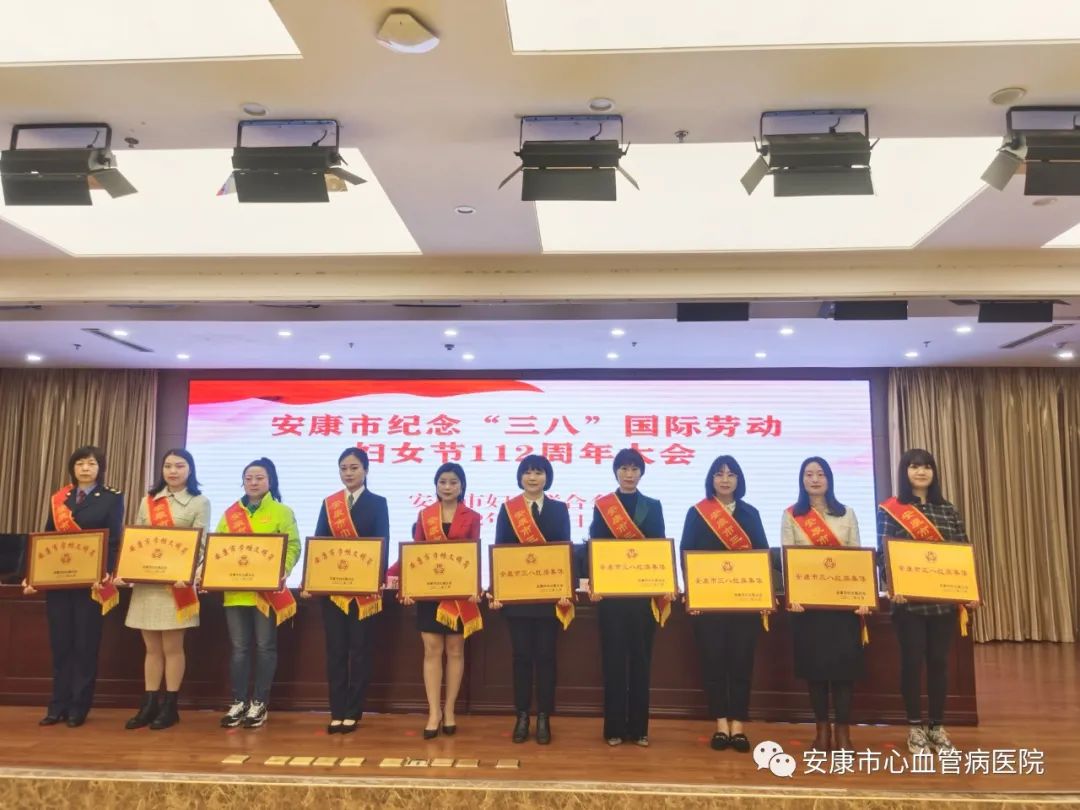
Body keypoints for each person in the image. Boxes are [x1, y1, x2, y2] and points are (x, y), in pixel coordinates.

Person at [877, 448, 974, 755]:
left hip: (942, 604)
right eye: (914, 466)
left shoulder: (948, 510)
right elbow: (884, 555)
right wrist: (893, 585)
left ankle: (936, 726)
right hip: (908, 605)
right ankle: (915, 727)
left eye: (927, 466)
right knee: (911, 663)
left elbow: (961, 552)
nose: (921, 472)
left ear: (934, 472)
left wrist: (968, 591)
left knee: (938, 664)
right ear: (904, 472)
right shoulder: (891, 510)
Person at [24, 446, 124, 727]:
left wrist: (105, 572)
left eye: (91, 463)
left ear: (100, 468)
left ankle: (79, 706)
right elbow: (46, 537)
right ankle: (57, 705)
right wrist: (32, 573)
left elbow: (114, 541)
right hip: (59, 582)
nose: (85, 468)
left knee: (85, 645)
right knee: (61, 645)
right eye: (80, 463)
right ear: (72, 468)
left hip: (91, 584)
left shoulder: (112, 498)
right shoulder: (60, 499)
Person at [679, 455, 771, 753]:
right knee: (714, 663)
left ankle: (739, 726)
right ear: (711, 479)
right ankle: (721, 724)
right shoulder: (697, 513)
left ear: (738, 480)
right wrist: (693, 594)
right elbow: (686, 554)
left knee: (741, 664)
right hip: (709, 606)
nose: (725, 479)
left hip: (744, 605)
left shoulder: (750, 513)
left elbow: (762, 555)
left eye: (731, 474)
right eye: (719, 474)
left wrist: (764, 595)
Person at [781, 456, 867, 752]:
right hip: (809, 609)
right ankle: (821, 730)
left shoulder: (847, 514)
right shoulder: (792, 515)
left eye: (820, 474)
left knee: (844, 672)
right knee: (815, 672)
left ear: (829, 479)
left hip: (843, 607)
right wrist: (793, 596)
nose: (815, 479)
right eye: (809, 474)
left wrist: (863, 597)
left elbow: (857, 558)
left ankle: (843, 732)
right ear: (802, 480)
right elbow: (788, 560)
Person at [119, 448, 210, 731]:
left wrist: (190, 574)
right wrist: (127, 570)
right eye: (168, 465)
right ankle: (149, 704)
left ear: (190, 469)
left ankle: (170, 706)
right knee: (151, 649)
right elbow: (136, 541)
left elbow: (201, 545)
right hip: (148, 585)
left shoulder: (199, 502)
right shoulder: (148, 501)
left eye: (179, 466)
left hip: (176, 587)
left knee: (172, 648)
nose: (173, 471)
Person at [391, 462, 482, 738]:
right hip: (430, 593)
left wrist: (475, 586)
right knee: (432, 651)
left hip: (458, 595)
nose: (448, 487)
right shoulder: (425, 515)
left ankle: (450, 710)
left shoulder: (472, 516)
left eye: (453, 482)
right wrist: (406, 584)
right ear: (436, 485)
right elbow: (416, 554)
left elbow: (473, 555)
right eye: (442, 482)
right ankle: (434, 712)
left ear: (462, 486)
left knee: (455, 651)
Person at [586, 447, 668, 747]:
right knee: (614, 662)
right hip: (612, 597)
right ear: (616, 472)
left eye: (634, 469)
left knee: (641, 662)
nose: (629, 474)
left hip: (643, 597)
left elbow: (659, 547)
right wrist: (594, 582)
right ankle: (614, 728)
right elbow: (595, 546)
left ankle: (639, 729)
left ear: (641, 473)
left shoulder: (653, 506)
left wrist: (664, 581)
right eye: (624, 468)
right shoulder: (604, 506)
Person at [304, 448, 389, 735]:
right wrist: (312, 579)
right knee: (336, 652)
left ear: (366, 470)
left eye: (354, 467)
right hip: (334, 591)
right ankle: (337, 711)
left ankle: (353, 711)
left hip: (364, 592)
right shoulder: (330, 504)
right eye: (344, 468)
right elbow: (320, 544)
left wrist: (375, 579)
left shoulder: (378, 503)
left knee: (361, 652)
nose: (348, 473)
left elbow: (383, 543)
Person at [490, 454, 573, 745]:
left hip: (549, 598)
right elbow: (501, 550)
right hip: (518, 600)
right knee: (521, 658)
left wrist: (566, 588)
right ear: (520, 477)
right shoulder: (508, 510)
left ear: (547, 477)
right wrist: (498, 591)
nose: (533, 477)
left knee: (547, 658)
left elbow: (565, 550)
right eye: (527, 472)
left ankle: (544, 716)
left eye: (538, 472)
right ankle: (522, 715)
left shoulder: (559, 509)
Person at [215, 457, 300, 730]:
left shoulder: (281, 512)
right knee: (239, 649)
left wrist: (283, 569)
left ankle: (260, 702)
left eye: (259, 478)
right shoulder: (230, 514)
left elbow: (293, 546)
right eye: (248, 478)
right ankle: (239, 701)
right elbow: (218, 547)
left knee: (265, 647)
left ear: (270, 481)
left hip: (265, 594)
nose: (253, 482)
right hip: (235, 592)